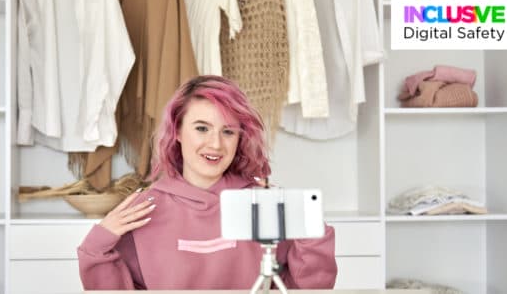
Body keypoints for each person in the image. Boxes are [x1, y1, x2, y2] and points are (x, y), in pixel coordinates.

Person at [77, 75, 337, 290]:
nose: (215, 144)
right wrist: (98, 243)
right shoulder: (143, 209)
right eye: (202, 128)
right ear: (177, 131)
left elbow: (309, 287)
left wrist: (310, 229)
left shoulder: (264, 204)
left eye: (228, 131)